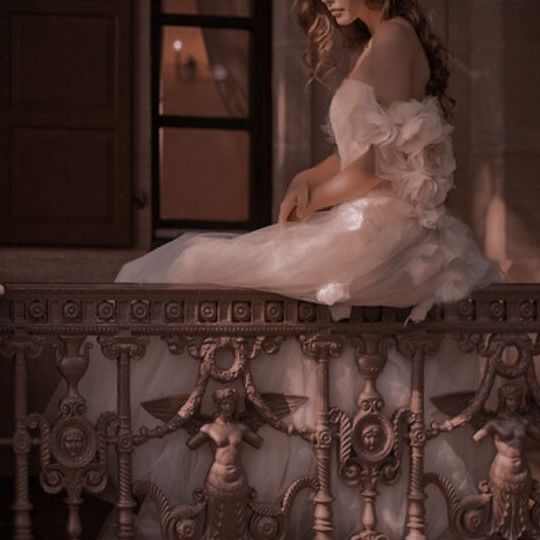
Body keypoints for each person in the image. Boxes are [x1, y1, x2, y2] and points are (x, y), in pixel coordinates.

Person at [50, 0, 505, 538]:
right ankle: (263, 473)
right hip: (379, 222)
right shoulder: (383, 42)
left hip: (385, 230)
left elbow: (374, 172)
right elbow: (359, 154)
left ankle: (228, 476)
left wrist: (315, 204)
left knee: (191, 263)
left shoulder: (392, 41)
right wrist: (310, 177)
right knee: (233, 282)